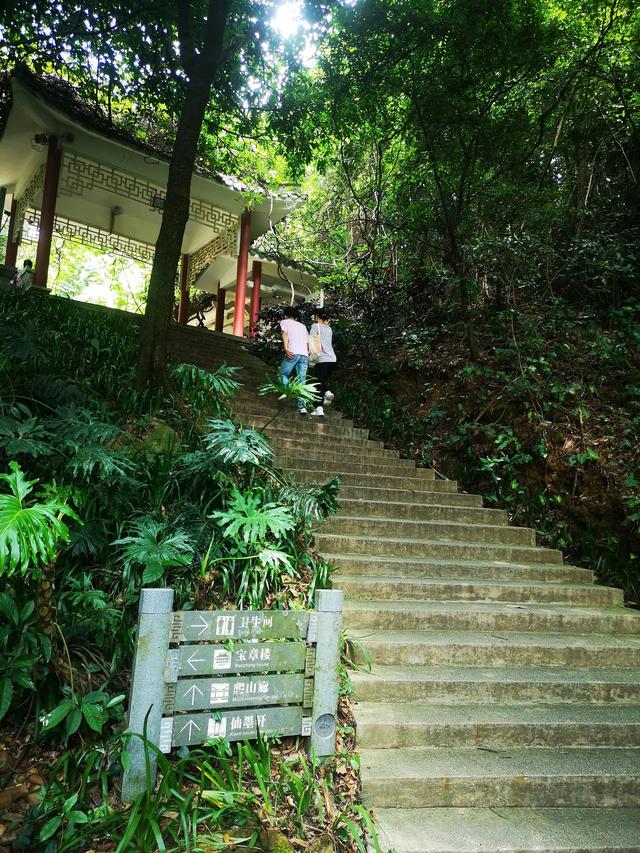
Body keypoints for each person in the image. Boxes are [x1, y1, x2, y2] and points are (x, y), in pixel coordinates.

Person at [279, 305, 310, 413]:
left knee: (282, 373)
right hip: (304, 355)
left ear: (286, 315)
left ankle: (290, 389)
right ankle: (302, 407)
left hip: (293, 352)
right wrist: (307, 354)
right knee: (302, 380)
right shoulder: (303, 326)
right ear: (296, 316)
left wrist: (286, 348)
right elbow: (307, 343)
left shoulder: (284, 322)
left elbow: (285, 334)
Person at [308, 308, 337, 417]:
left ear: (317, 316)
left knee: (318, 384)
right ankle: (327, 394)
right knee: (321, 382)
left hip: (322, 360)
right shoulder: (329, 329)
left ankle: (319, 408)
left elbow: (314, 344)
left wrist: (311, 356)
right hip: (332, 360)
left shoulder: (315, 327)